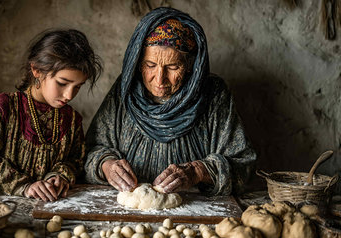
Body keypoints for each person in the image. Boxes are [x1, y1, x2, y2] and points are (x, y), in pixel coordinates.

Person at [85, 7, 256, 196]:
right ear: (138, 62)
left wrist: (198, 171)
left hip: (195, 213)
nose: (160, 79)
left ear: (191, 65)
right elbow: (90, 151)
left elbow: (243, 166)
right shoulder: (125, 92)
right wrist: (106, 165)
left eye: (173, 67)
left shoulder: (213, 95)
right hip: (129, 210)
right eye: (150, 65)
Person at [0, 29, 102, 202]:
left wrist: (59, 176)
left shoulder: (71, 119)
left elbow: (75, 160)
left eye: (78, 86)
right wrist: (25, 186)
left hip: (48, 207)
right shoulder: (5, 108)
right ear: (36, 70)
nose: (69, 95)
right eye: (62, 83)